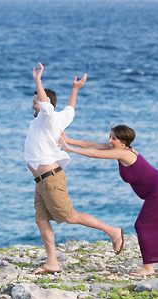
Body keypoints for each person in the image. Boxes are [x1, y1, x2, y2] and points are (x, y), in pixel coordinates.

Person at [25, 63, 124, 275]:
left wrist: (38, 81)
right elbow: (70, 111)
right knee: (42, 220)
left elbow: (45, 105)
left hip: (50, 180)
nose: (32, 105)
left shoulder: (47, 117)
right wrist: (75, 90)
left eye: (35, 102)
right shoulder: (57, 120)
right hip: (41, 182)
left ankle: (112, 230)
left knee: (70, 217)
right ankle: (52, 262)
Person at [59, 125, 158, 276]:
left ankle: (148, 267)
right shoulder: (121, 150)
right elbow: (94, 145)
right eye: (110, 136)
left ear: (123, 141)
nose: (109, 140)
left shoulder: (124, 153)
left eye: (113, 138)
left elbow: (95, 154)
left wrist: (70, 149)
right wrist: (69, 140)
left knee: (142, 225)